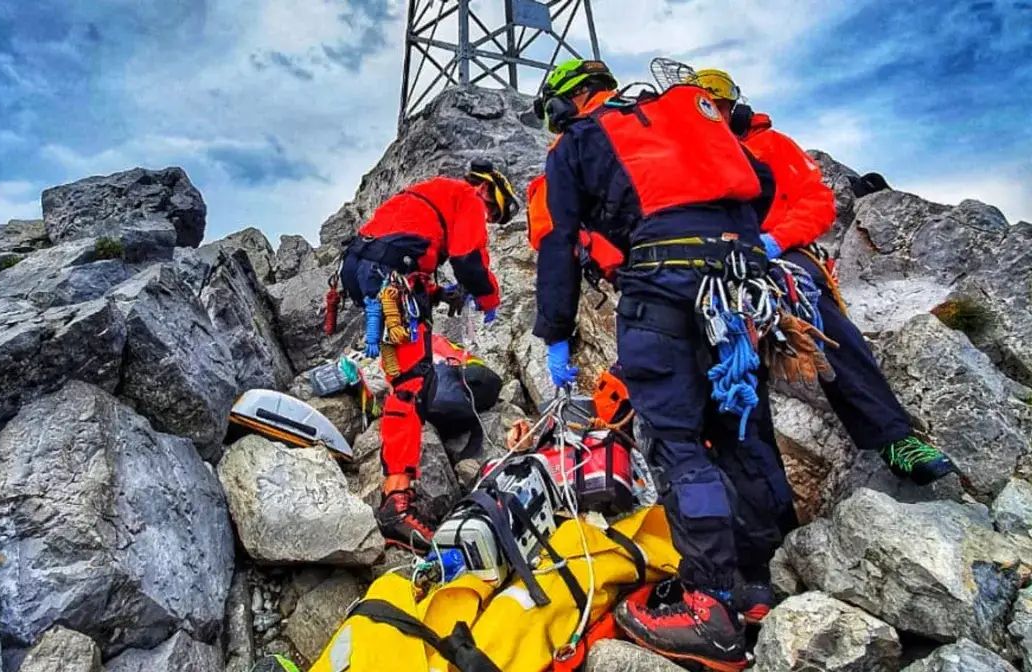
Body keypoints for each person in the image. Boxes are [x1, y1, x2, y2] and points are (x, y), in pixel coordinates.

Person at [534, 58, 792, 671]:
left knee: (677, 440)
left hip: (661, 287)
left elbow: (559, 241)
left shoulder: (579, 141)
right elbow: (760, 176)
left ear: (569, 102)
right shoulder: (684, 111)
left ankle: (711, 604)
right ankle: (758, 584)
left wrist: (555, 332)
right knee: (741, 424)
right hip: (736, 286)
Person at [688, 68, 959, 486]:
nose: (715, 116)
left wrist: (776, 240)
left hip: (779, 255)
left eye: (720, 106)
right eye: (706, 108)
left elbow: (817, 201)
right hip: (716, 266)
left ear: (733, 107)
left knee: (825, 322)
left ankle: (894, 438)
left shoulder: (770, 146)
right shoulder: (687, 159)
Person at [339, 161, 515, 551]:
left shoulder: (429, 193)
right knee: (412, 385)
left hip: (363, 267)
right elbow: (469, 260)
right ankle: (397, 504)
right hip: (390, 275)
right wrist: (488, 298)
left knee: (408, 373)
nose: (487, 220)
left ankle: (396, 495)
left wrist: (438, 294)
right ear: (489, 192)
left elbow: (405, 247)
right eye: (492, 214)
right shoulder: (468, 196)